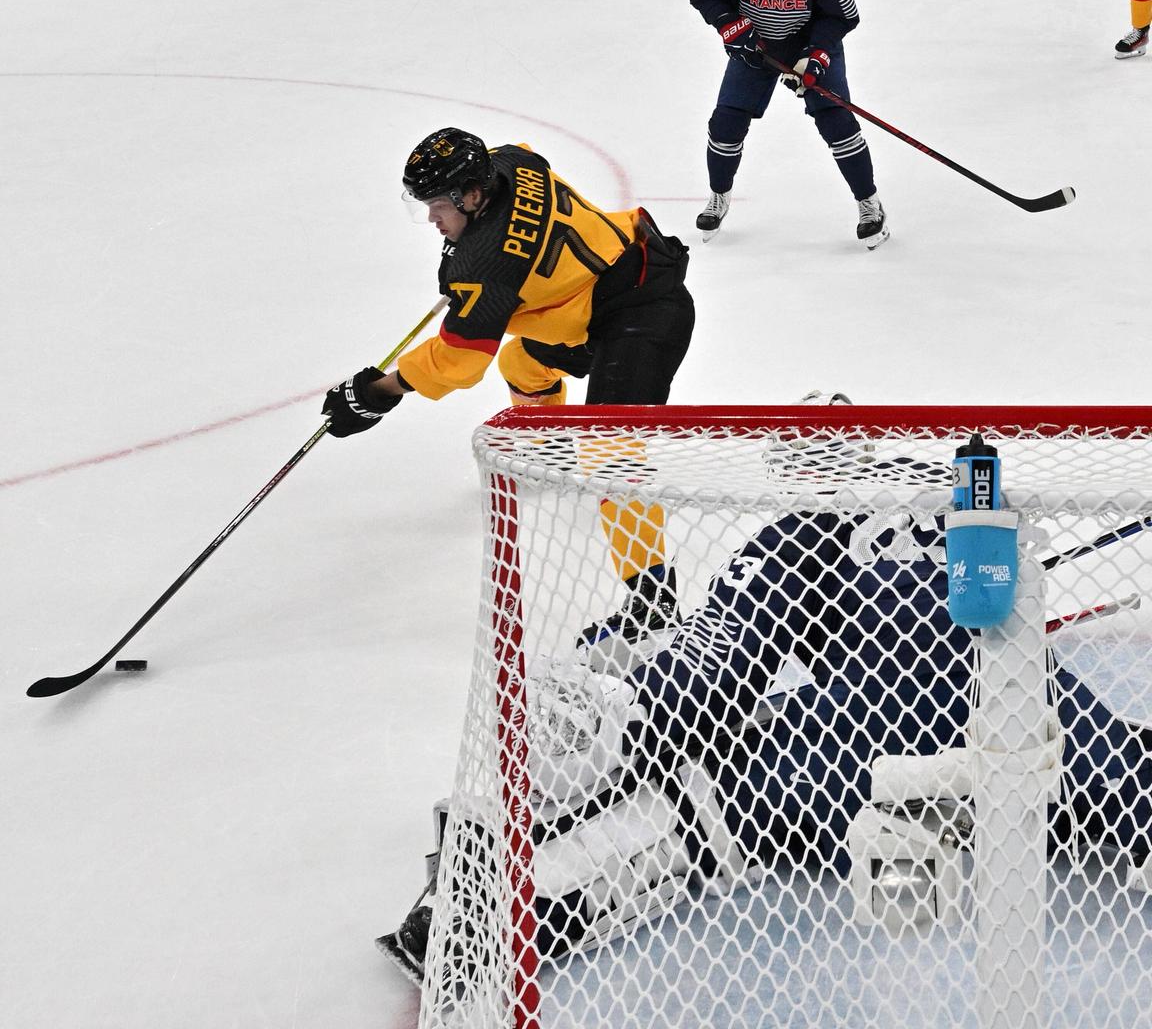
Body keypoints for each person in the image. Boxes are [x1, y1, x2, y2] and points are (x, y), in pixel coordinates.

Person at [380, 492, 1152, 976]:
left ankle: (512, 884)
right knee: (712, 795)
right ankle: (529, 886)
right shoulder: (966, 522)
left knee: (702, 781)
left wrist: (641, 702)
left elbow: (724, 654)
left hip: (859, 747)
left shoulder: (806, 533)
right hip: (1012, 732)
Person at [322, 129, 695, 637]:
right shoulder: (512, 163)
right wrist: (469, 263)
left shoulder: (487, 263)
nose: (431, 218)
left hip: (646, 309)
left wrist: (379, 393)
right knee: (523, 364)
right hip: (601, 295)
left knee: (611, 452)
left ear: (473, 195)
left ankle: (653, 602)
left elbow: (460, 360)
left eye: (437, 206)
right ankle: (554, 458)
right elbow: (525, 160)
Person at [688, 0, 887, 248]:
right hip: (755, 45)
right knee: (726, 121)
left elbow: (844, 15)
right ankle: (718, 196)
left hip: (808, 43)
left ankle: (869, 204)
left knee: (837, 120)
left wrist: (816, 57)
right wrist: (730, 25)